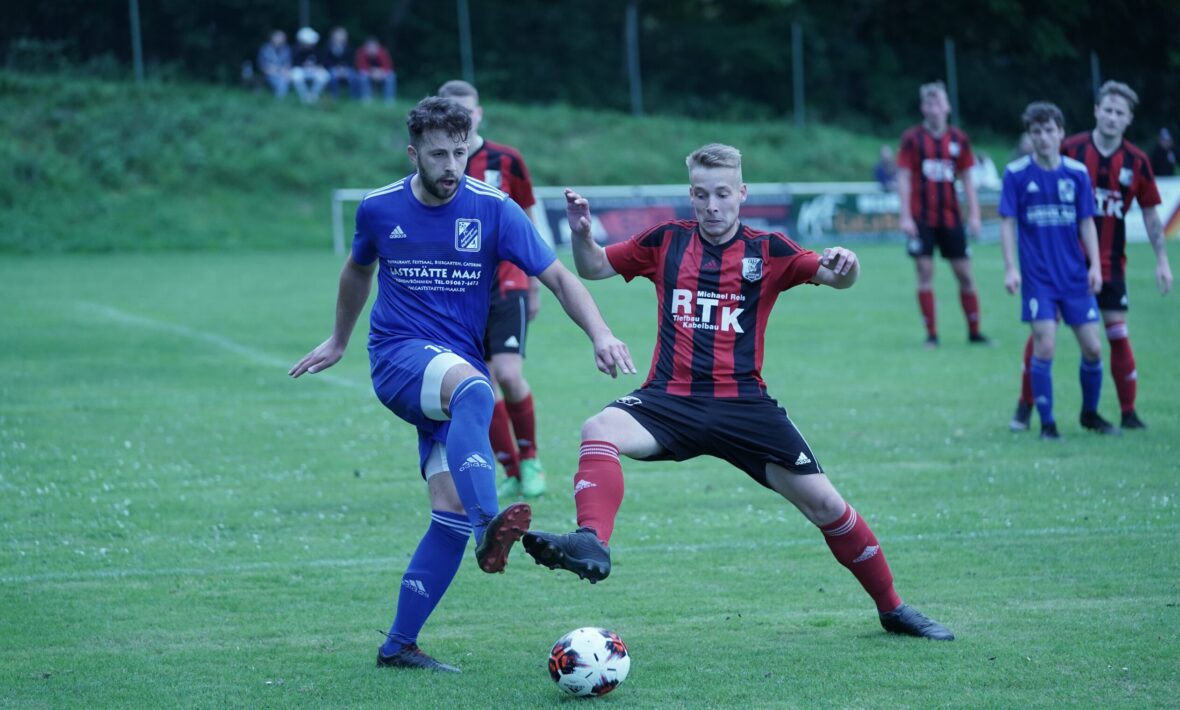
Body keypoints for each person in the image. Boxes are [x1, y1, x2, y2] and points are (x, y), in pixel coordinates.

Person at [521, 143, 955, 642]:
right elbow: (594, 267)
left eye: (722, 194)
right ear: (691, 194)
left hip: (744, 406)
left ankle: (893, 608)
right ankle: (591, 541)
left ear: (742, 193)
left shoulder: (769, 250)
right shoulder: (666, 241)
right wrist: (581, 234)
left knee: (827, 506)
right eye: (701, 194)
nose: (711, 206)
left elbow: (838, 279)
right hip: (669, 400)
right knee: (598, 428)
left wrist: (847, 263)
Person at [288, 97, 636, 672]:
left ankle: (399, 644)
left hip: (451, 370)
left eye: (459, 151)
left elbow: (557, 276)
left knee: (446, 511)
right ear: (413, 154)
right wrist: (339, 340)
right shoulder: (379, 208)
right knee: (476, 390)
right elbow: (357, 269)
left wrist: (601, 333)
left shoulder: (494, 209)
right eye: (438, 154)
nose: (451, 165)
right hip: (398, 358)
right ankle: (489, 525)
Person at [1010, 82, 1171, 432]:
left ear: (1129, 119)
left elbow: (1150, 214)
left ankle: (1126, 412)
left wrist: (1162, 259)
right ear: (1096, 111)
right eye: (1107, 109)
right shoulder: (1070, 149)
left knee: (1114, 336)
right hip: (1060, 264)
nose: (1112, 117)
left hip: (1109, 263)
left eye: (1119, 112)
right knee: (1042, 336)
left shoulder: (1137, 162)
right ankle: (1025, 406)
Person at [438, 79, 548, 501]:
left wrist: (534, 283)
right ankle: (512, 470)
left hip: (508, 282)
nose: (460, 120)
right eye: (451, 113)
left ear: (479, 114)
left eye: (466, 112)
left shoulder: (507, 160)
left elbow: (528, 218)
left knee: (508, 374)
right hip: (461, 291)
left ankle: (532, 460)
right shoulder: (437, 165)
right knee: (479, 384)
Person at [999, 101, 1119, 440]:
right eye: (1036, 131)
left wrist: (1095, 266)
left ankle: (1090, 414)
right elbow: (1007, 223)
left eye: (1049, 130)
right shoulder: (1016, 174)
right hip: (1038, 278)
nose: (1043, 137)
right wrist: (1010, 268)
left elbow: (1086, 222)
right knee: (1045, 345)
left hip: (1075, 277)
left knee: (1094, 348)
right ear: (1029, 135)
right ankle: (1047, 424)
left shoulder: (1077, 174)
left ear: (1061, 133)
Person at [897, 81, 989, 347]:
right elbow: (903, 177)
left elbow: (968, 178)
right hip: (921, 219)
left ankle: (974, 331)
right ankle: (932, 334)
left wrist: (974, 215)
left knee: (965, 274)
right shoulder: (912, 139)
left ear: (947, 106)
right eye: (929, 103)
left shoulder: (959, 139)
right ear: (923, 108)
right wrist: (905, 216)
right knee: (925, 273)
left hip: (951, 218)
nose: (934, 108)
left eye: (938, 102)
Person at [290, 27, 330, 104]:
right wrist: (304, 65)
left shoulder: (316, 49)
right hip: (301, 70)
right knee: (296, 75)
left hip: (314, 70)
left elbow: (322, 62)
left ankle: (313, 95)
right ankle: (304, 96)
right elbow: (294, 63)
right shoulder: (296, 50)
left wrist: (318, 67)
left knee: (324, 75)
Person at [356, 36, 397, 104]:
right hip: (368, 73)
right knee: (362, 76)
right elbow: (361, 66)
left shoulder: (383, 52)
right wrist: (371, 72)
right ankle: (366, 97)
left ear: (377, 47)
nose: (371, 50)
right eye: (369, 47)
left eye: (373, 47)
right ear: (366, 47)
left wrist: (381, 72)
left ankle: (389, 99)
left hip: (381, 73)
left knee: (391, 76)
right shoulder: (361, 53)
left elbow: (388, 66)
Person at [256, 30, 291, 99]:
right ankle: (280, 98)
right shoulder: (265, 49)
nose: (280, 39)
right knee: (281, 80)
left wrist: (284, 70)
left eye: (282, 38)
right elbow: (262, 65)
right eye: (278, 37)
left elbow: (288, 64)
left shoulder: (286, 49)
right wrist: (273, 70)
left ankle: (280, 98)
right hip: (268, 73)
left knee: (284, 78)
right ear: (272, 38)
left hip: (282, 73)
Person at [323, 27, 356, 100]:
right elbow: (326, 61)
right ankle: (334, 96)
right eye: (338, 35)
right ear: (333, 36)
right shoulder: (327, 46)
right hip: (332, 68)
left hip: (346, 68)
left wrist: (344, 69)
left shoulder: (348, 47)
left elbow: (351, 61)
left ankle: (354, 97)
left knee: (353, 76)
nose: (340, 37)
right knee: (332, 76)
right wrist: (336, 69)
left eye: (342, 35)